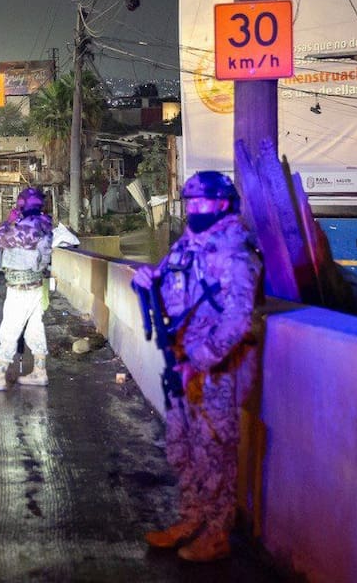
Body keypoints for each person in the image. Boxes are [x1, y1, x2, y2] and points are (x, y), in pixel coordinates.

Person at [132, 170, 262, 563]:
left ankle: (217, 533)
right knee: (181, 447)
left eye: (202, 201)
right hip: (180, 362)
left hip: (215, 371)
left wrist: (201, 361)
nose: (195, 208)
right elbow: (166, 284)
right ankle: (191, 519)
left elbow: (238, 320)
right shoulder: (187, 245)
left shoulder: (235, 252)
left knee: (214, 453)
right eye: (190, 202)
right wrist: (146, 280)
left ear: (223, 203)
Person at [0, 187, 54, 391]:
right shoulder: (44, 223)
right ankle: (40, 372)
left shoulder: (26, 227)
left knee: (9, 330)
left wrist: (8, 221)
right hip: (35, 285)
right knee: (34, 329)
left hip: (20, 287)